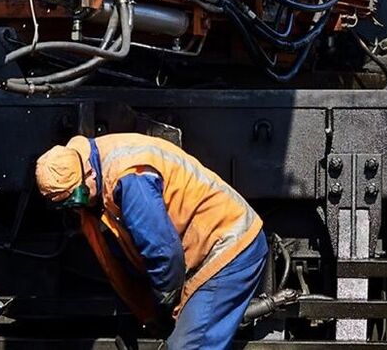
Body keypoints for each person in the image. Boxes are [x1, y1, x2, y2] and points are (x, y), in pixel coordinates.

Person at [34, 133, 267, 350]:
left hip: (227, 246)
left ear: (88, 172)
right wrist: (133, 317)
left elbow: (164, 252)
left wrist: (164, 304)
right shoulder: (95, 175)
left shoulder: (129, 178)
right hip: (201, 252)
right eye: (65, 204)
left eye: (78, 197)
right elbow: (126, 257)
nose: (77, 207)